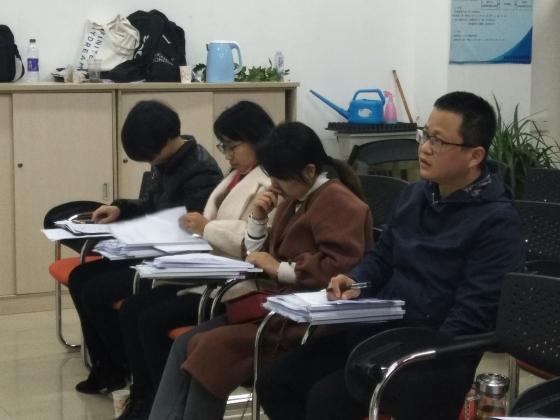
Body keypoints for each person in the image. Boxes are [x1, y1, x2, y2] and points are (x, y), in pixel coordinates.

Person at [256, 91, 526, 420]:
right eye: (425, 135)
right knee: (275, 381)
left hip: (433, 356)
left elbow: (473, 316)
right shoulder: (415, 196)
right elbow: (382, 258)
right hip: (379, 333)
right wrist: (355, 281)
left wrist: (413, 352)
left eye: (438, 141)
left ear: (475, 155)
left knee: (326, 401)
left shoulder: (496, 222)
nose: (424, 148)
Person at [148, 121, 374, 420]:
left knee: (210, 349)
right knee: (185, 343)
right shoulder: (295, 198)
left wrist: (279, 269)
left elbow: (341, 267)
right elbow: (256, 254)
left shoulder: (336, 201)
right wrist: (257, 218)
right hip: (278, 308)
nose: (274, 185)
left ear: (308, 171)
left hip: (308, 321)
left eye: (279, 177)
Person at [114, 100, 276, 420]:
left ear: (257, 139)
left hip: (238, 287)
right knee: (135, 309)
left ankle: (157, 404)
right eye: (223, 146)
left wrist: (206, 227)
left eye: (232, 146)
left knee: (151, 320)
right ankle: (145, 398)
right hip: (209, 274)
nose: (227, 155)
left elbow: (256, 239)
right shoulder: (236, 175)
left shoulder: (270, 181)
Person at [68, 100, 223, 395]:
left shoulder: (201, 171)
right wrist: (121, 209)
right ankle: (107, 365)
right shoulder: (165, 161)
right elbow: (152, 205)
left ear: (167, 139)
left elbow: (193, 228)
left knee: (96, 290)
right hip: (150, 249)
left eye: (150, 155)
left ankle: (121, 364)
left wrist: (143, 231)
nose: (149, 162)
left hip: (173, 261)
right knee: (80, 278)